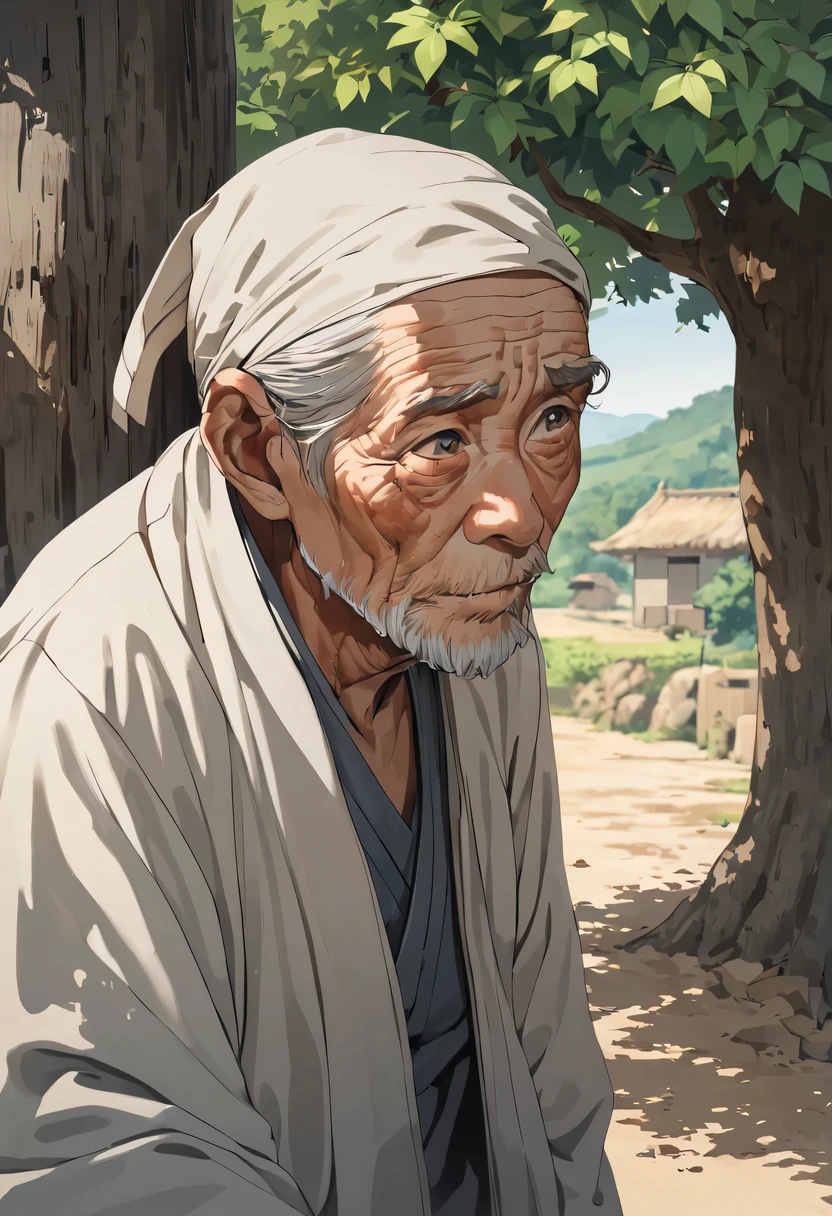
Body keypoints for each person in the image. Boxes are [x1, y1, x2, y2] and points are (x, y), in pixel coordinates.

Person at [0, 129, 621, 1216]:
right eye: (440, 439)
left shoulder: (469, 623)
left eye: (554, 418)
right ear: (255, 445)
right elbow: (100, 1151)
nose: (520, 514)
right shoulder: (90, 681)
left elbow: (548, 1054)